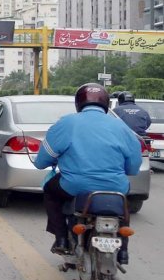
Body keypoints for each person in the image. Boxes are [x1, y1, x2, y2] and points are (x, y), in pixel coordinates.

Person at [32, 83, 142, 263]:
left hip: (74, 186)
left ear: (78, 103)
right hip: (115, 186)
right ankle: (123, 251)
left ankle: (61, 239)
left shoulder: (66, 123)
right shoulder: (122, 127)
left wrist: (46, 162)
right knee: (124, 205)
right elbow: (133, 168)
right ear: (106, 104)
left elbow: (43, 160)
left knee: (51, 192)